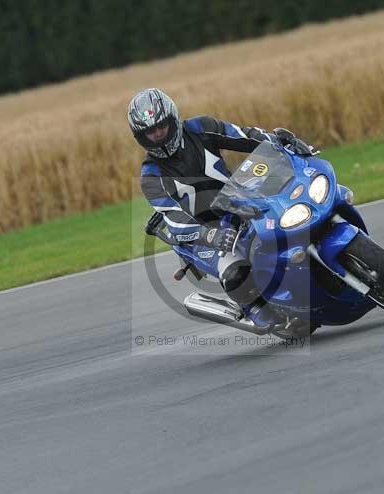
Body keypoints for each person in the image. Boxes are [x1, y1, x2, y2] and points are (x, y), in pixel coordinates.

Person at [129, 88, 315, 328]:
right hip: (200, 232)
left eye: (161, 126)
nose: (157, 135)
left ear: (172, 119)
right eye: (150, 132)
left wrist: (278, 142)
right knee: (235, 271)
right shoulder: (151, 177)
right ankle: (257, 310)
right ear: (141, 137)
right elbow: (174, 220)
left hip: (235, 201)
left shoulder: (201, 127)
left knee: (287, 216)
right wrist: (209, 235)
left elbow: (243, 136)